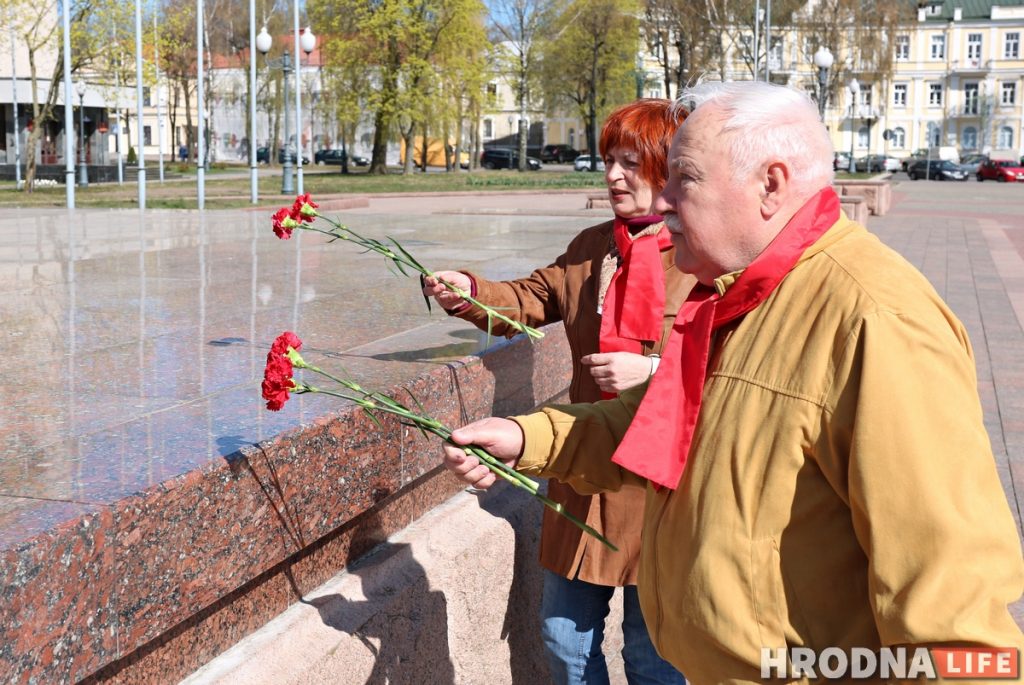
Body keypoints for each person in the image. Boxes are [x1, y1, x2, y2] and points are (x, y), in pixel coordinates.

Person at [440, 81, 1024, 683]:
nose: (662, 201)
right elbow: (660, 419)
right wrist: (524, 436)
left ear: (769, 185)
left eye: (684, 179)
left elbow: (954, 611)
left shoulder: (878, 319)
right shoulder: (742, 289)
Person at [422, 99, 692, 684]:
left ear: (667, 169)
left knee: (653, 660)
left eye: (630, 164)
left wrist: (650, 373)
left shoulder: (699, 256)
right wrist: (467, 289)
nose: (613, 176)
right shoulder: (593, 246)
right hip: (582, 474)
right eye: (609, 162)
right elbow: (527, 298)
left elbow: (725, 365)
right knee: (564, 642)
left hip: (660, 488)